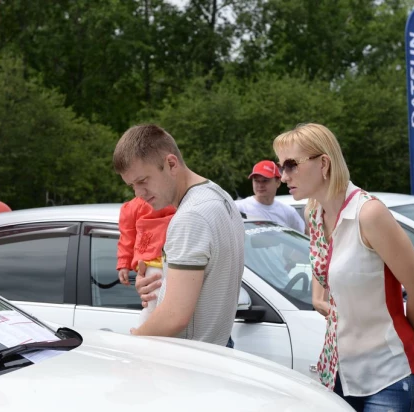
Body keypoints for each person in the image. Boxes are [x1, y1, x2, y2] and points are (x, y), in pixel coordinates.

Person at [273, 123, 414, 411]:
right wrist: (318, 296)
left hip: (389, 376)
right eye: (280, 166)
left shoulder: (368, 214)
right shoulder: (314, 212)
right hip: (338, 372)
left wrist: (400, 344)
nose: (282, 176)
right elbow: (327, 271)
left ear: (323, 163)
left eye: (290, 165)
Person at [113, 124, 244, 348]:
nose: (138, 194)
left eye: (143, 181)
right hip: (216, 351)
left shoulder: (191, 217)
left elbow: (175, 316)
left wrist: (132, 344)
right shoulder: (219, 196)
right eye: (132, 185)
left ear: (171, 163)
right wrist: (160, 286)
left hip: (189, 360)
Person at [116, 197, 175, 325]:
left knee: (166, 303)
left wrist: (124, 263)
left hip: (174, 260)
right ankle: (146, 333)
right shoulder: (135, 206)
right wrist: (124, 263)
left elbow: (127, 236)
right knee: (154, 303)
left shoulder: (174, 198)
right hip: (152, 262)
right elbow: (127, 235)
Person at [235, 160, 305, 232]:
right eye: (256, 180)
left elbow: (302, 238)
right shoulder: (238, 208)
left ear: (278, 182)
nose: (260, 185)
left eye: (265, 180)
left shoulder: (288, 212)